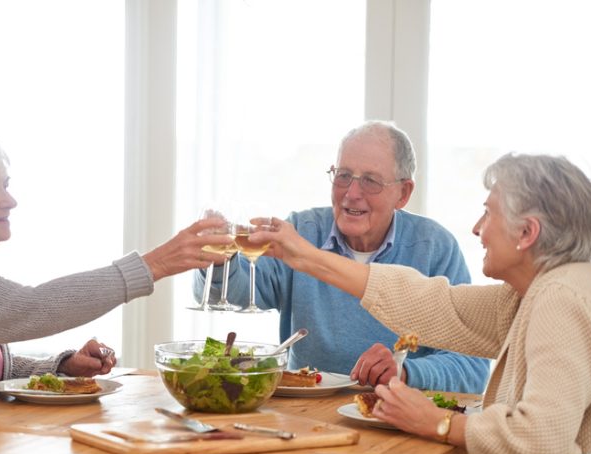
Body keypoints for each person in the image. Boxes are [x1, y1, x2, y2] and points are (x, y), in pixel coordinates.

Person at [250, 153, 591, 454]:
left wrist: (437, 420)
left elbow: (540, 442)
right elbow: (434, 305)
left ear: (526, 233)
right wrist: (308, 257)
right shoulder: (541, 293)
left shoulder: (561, 303)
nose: (477, 228)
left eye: (488, 214)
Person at [0, 127, 231, 429]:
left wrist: (61, 366)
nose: (9, 201)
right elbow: (31, 307)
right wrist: (154, 264)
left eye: (5, 185)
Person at [194, 120, 490, 394]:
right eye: (344, 176)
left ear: (403, 192)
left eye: (371, 181)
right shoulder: (303, 230)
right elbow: (239, 294)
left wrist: (406, 372)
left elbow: (473, 368)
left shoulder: (435, 247)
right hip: (309, 412)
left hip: (398, 419)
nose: (352, 193)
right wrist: (220, 262)